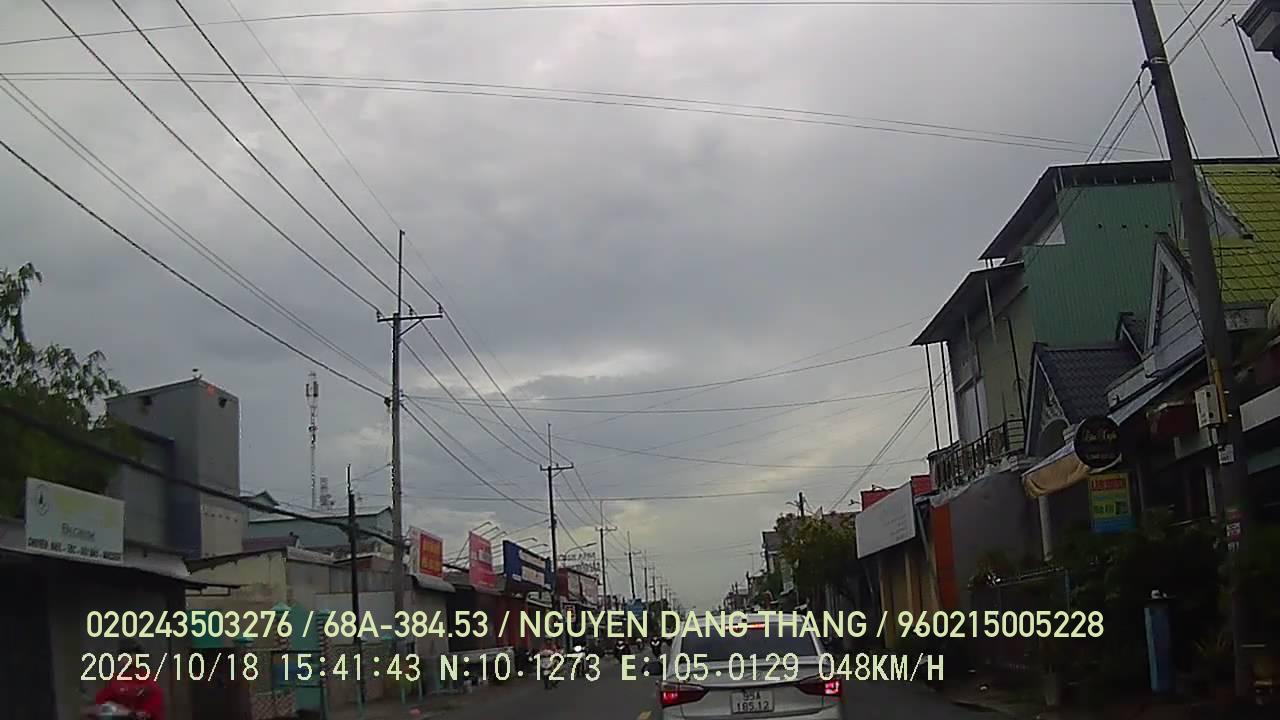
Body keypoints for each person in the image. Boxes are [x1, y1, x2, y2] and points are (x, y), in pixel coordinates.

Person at [86, 641, 165, 720]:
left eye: (130, 653)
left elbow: (151, 710)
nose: (125, 657)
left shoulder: (148, 682)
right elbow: (99, 703)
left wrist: (138, 713)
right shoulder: (116, 680)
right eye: (122, 654)